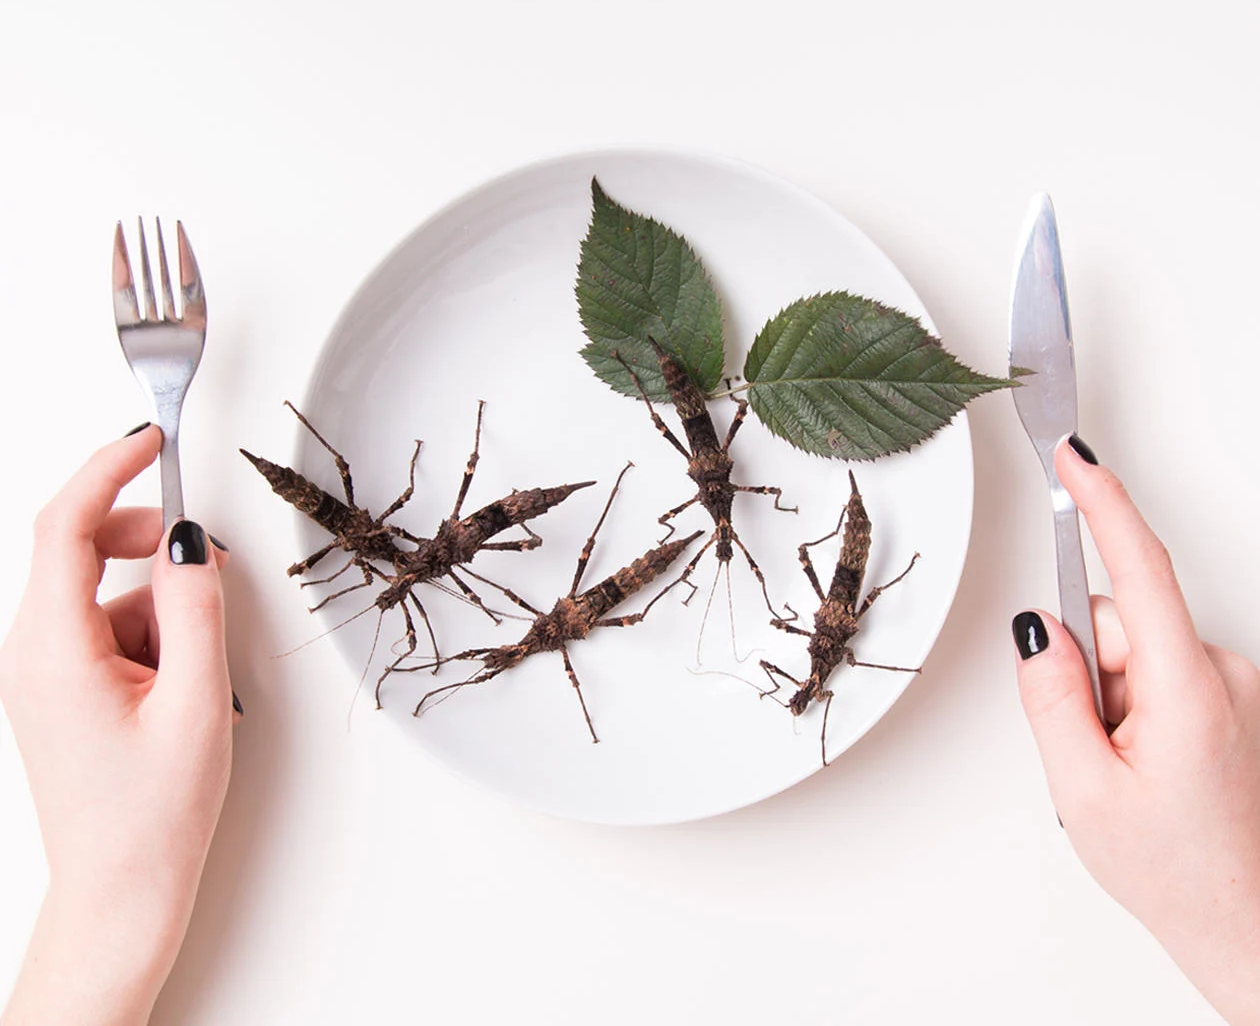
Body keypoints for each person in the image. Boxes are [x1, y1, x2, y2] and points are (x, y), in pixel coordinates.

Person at [0, 427, 1257, 1024]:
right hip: (572, 591)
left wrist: (104, 905)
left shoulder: (547, 599)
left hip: (593, 581)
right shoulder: (494, 598)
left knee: (578, 594)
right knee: (543, 608)